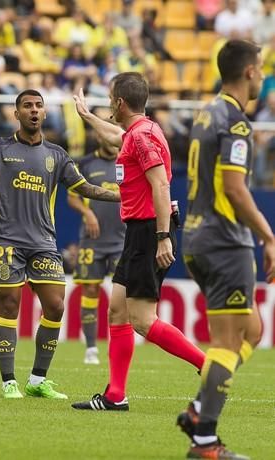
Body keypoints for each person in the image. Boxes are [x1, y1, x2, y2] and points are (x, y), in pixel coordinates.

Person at [0, 89, 121, 400]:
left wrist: (123, 196)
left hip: (44, 242)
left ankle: (37, 380)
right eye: (27, 106)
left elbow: (87, 189)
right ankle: (8, 382)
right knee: (9, 306)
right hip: (7, 241)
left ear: (44, 114)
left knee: (56, 305)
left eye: (38, 106)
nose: (33, 110)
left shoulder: (56, 155)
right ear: (16, 114)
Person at [70, 72, 206, 411]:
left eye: (110, 98)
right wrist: (87, 117)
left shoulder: (143, 137)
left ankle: (210, 367)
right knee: (117, 311)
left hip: (149, 231)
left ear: (119, 102)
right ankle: (116, 395)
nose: (108, 105)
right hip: (138, 233)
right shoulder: (139, 132)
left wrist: (163, 237)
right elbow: (116, 135)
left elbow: (160, 186)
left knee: (143, 320)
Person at [176, 39, 274, 460]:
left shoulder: (205, 113)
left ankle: (199, 410)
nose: (265, 75)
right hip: (224, 241)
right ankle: (205, 442)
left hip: (198, 239)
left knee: (252, 330)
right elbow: (235, 189)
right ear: (250, 72)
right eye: (262, 68)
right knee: (228, 341)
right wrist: (269, 236)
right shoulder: (234, 122)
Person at [67, 136, 125, 365]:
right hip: (93, 241)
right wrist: (87, 212)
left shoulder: (128, 160)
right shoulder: (85, 164)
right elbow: (72, 198)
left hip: (122, 240)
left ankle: (118, 346)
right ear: (100, 137)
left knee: (122, 295)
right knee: (90, 289)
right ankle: (91, 348)